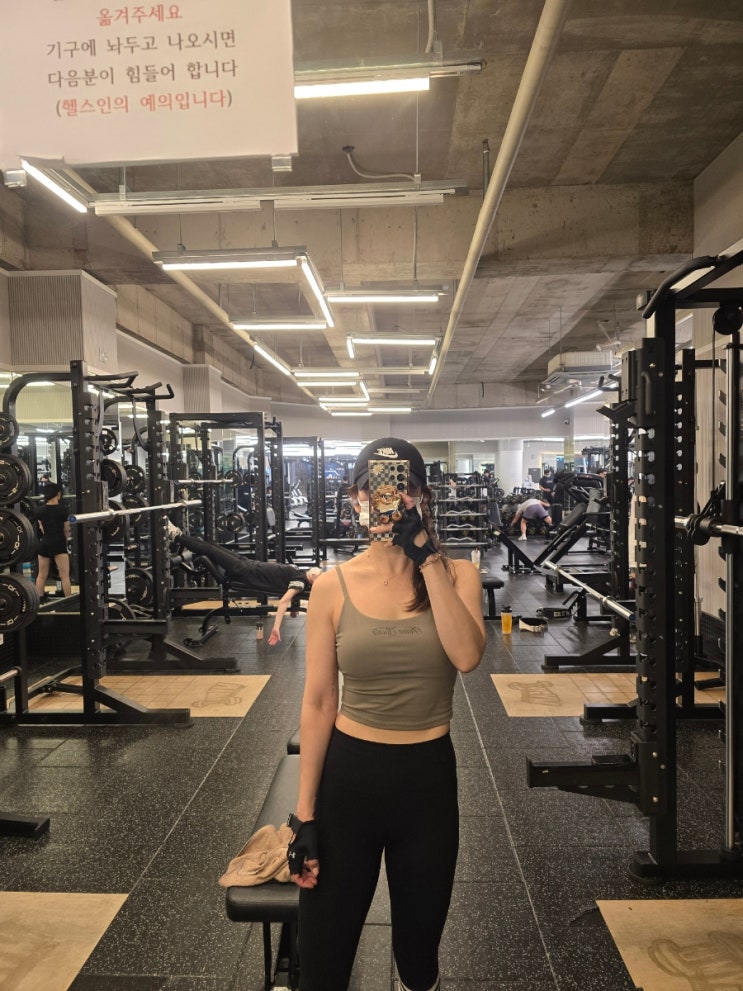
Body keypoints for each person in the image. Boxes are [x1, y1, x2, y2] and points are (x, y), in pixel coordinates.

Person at [287, 437, 486, 991]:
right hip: (350, 781)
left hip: (427, 783)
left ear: (422, 497)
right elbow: (319, 702)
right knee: (323, 961)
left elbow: (467, 657)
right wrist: (304, 815)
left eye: (404, 488)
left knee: (419, 960)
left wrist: (425, 558)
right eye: (373, 489)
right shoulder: (331, 587)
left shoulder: (458, 576)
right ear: (356, 499)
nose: (388, 500)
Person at [168, 528, 322, 645]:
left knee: (210, 550)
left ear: (314, 580)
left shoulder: (300, 582)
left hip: (244, 570)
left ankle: (176, 536)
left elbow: (283, 601)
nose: (319, 571)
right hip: (246, 564)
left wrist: (276, 627)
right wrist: (294, 608)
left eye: (320, 574)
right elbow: (292, 594)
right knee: (212, 546)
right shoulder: (301, 575)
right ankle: (180, 536)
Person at [35, 482, 72, 599]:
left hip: (44, 543)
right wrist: (66, 540)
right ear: (58, 494)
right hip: (58, 543)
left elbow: (41, 528)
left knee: (41, 575)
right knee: (64, 576)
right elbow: (67, 529)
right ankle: (68, 601)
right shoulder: (63, 510)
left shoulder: (40, 510)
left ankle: (39, 600)